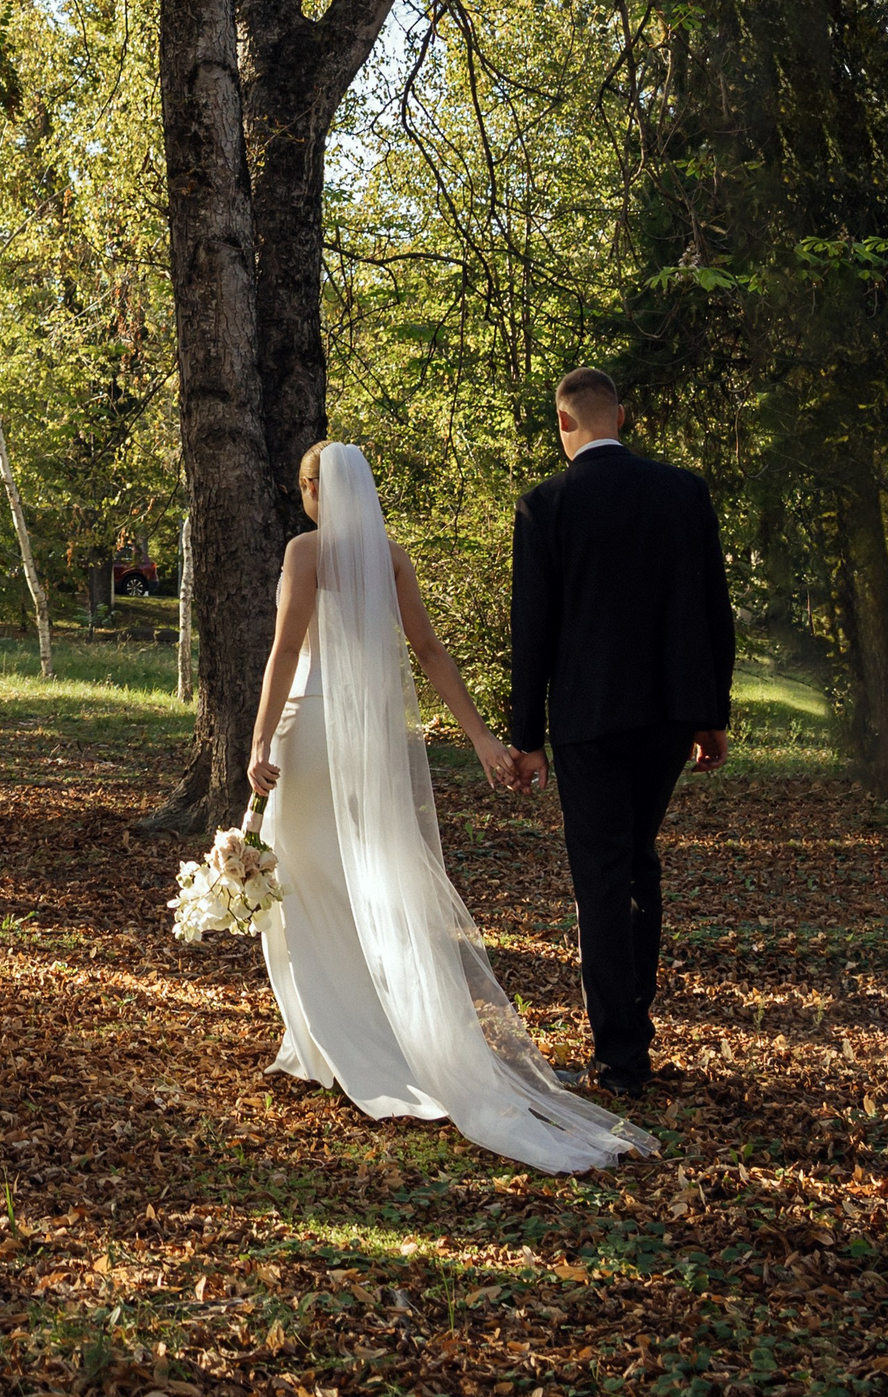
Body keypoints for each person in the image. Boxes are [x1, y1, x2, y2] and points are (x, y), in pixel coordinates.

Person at [246, 441, 655, 1173]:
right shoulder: (390, 555)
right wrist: (482, 739)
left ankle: (332, 1039)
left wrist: (257, 743)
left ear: (313, 489)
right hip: (368, 737)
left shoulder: (304, 552)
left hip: (308, 732)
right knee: (365, 876)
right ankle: (367, 1027)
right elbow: (430, 650)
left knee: (305, 881)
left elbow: (283, 652)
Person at [510, 368, 733, 1097]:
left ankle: (620, 1058)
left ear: (563, 423)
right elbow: (712, 608)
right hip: (670, 712)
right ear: (622, 417)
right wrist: (712, 712)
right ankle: (630, 1035)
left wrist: (526, 735)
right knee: (639, 861)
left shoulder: (547, 504)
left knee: (602, 877)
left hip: (589, 718)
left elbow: (532, 630)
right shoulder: (683, 491)